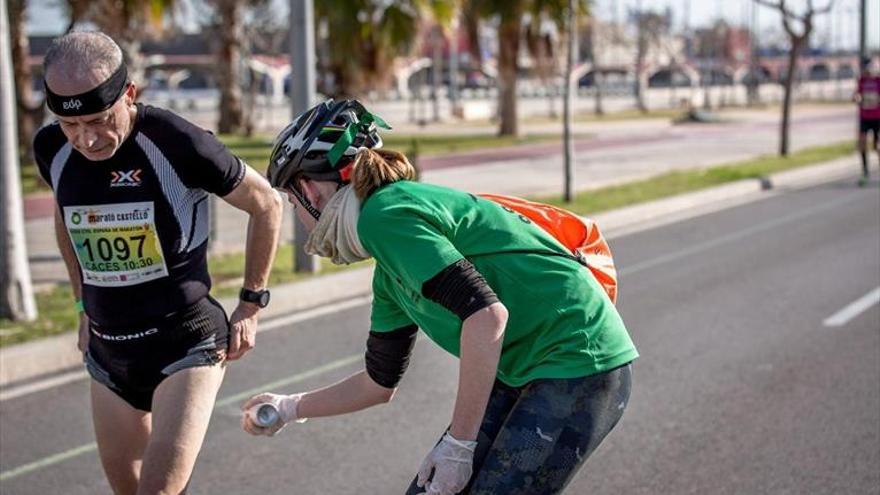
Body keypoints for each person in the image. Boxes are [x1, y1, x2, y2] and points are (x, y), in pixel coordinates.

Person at [241, 99, 638, 494]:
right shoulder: (389, 271)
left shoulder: (385, 215)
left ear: (310, 188)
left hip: (579, 361)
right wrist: (289, 407)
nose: (298, 215)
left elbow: (486, 317)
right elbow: (378, 384)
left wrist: (459, 448)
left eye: (293, 202)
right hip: (527, 367)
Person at [33, 31, 283, 494]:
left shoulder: (176, 142)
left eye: (100, 119)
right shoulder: (52, 149)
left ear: (130, 93)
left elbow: (267, 203)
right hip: (109, 354)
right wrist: (81, 305)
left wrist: (251, 303)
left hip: (186, 343)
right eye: (71, 125)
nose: (87, 139)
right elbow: (66, 221)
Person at [854, 56, 880, 186]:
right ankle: (865, 172)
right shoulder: (862, 81)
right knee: (862, 144)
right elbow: (856, 95)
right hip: (864, 117)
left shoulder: (878, 80)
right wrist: (857, 98)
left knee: (877, 146)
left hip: (877, 118)